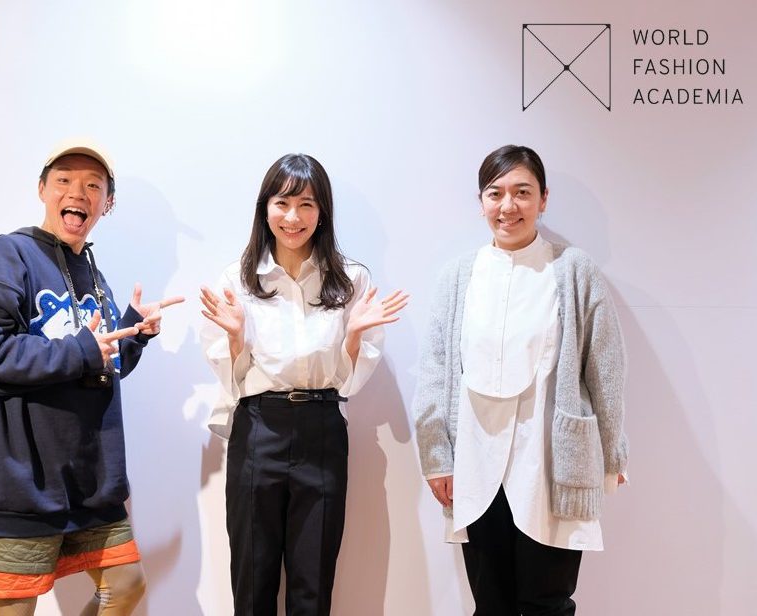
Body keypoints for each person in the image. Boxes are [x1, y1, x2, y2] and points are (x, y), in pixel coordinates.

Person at [0, 139, 183, 615]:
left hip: (88, 482)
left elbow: (99, 366)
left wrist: (133, 331)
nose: (78, 193)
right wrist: (81, 350)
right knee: (16, 609)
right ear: (42, 189)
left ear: (107, 203)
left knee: (126, 585)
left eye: (93, 186)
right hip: (19, 482)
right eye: (64, 180)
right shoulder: (7, 253)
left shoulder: (93, 276)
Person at [413, 145, 629, 616]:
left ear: (543, 199)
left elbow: (605, 367)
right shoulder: (458, 277)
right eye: (496, 194)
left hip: (547, 463)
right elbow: (434, 370)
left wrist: (613, 453)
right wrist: (436, 457)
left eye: (522, 192)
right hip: (475, 463)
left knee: (547, 604)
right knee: (491, 604)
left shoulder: (573, 269)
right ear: (481, 201)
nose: (508, 206)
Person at [200, 153, 408, 616]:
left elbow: (347, 382)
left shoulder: (351, 279)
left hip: (322, 428)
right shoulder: (237, 279)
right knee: (252, 578)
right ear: (265, 208)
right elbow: (234, 380)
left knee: (313, 584)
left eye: (306, 205)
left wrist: (353, 336)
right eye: (282, 203)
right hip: (259, 427)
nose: (293, 217)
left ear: (322, 212)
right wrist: (235, 338)